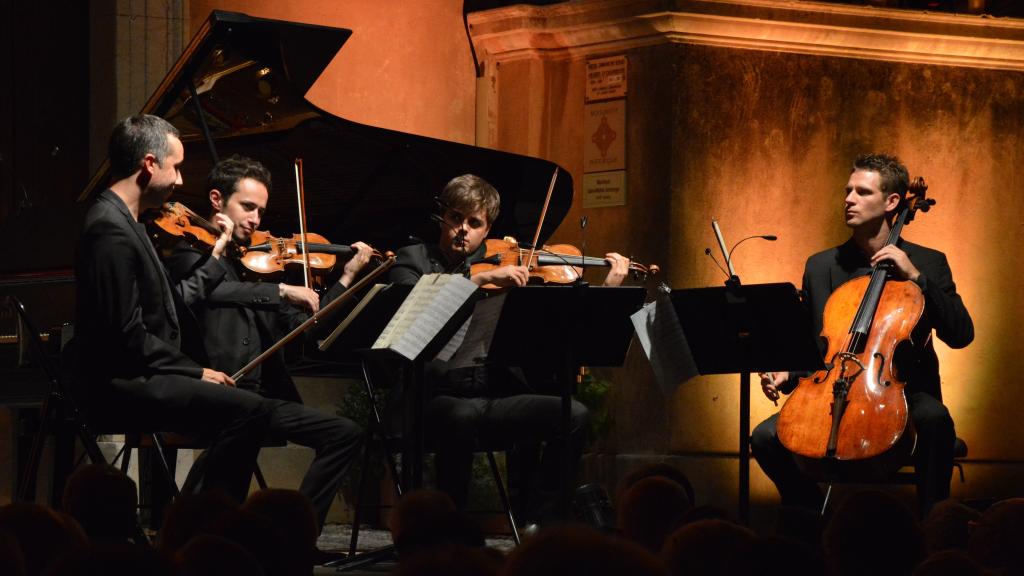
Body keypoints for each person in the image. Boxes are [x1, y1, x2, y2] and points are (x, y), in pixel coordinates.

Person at [387, 173, 631, 525]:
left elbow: (565, 326)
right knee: (461, 416)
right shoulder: (414, 259)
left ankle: (540, 524)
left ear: (487, 231)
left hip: (494, 393)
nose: (463, 230)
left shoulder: (506, 263)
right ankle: (448, 527)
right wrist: (478, 281)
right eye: (456, 218)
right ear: (443, 217)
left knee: (573, 416)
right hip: (431, 394)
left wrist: (606, 290)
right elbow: (408, 309)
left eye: (474, 223)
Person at [750, 153, 974, 516]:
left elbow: (962, 333)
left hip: (900, 391)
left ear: (892, 202)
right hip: (831, 389)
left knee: (935, 420)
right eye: (848, 190)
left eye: (862, 192)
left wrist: (916, 277)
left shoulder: (928, 262)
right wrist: (788, 373)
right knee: (765, 437)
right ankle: (806, 516)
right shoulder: (821, 265)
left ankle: (934, 523)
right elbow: (812, 342)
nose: (849, 199)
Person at [162, 154, 369, 535]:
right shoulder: (190, 254)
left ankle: (296, 531)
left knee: (345, 433)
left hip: (261, 396)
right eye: (247, 207)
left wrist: (347, 277)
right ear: (216, 200)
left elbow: (307, 329)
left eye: (261, 210)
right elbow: (208, 293)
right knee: (235, 453)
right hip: (213, 392)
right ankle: (208, 533)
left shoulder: (254, 263)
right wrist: (279, 289)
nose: (256, 220)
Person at [74, 114, 271, 504]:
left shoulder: (132, 223)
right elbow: (125, 334)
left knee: (249, 406)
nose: (181, 180)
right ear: (150, 164)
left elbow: (168, 305)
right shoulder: (109, 228)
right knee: (251, 411)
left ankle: (198, 521)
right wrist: (196, 371)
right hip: (120, 384)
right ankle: (205, 525)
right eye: (176, 167)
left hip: (142, 374)